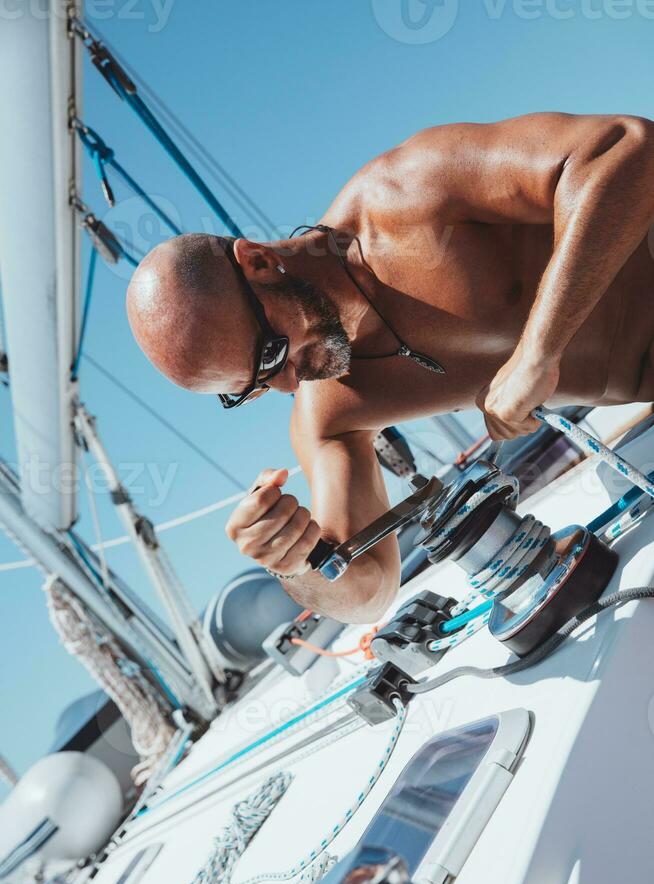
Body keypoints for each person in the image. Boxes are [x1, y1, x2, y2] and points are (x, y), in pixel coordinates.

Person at [126, 112, 654, 624]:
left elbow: (625, 149)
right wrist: (293, 565)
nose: (289, 382)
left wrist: (540, 348)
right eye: (255, 387)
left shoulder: (406, 195)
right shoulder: (332, 413)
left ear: (260, 263)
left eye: (269, 353)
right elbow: (371, 591)